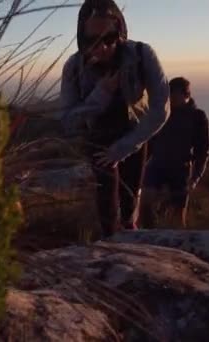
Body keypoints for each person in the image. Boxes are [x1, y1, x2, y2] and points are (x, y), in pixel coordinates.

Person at [60, 0, 170, 238]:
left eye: (109, 37)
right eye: (92, 40)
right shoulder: (73, 66)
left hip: (134, 135)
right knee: (107, 203)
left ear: (120, 31)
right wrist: (102, 93)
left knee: (130, 196)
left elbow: (161, 109)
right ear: (81, 37)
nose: (103, 47)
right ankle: (112, 243)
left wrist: (123, 148)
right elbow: (68, 121)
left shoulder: (142, 55)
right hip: (97, 137)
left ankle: (130, 230)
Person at [140, 77, 209, 228]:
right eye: (169, 94)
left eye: (174, 94)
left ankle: (177, 244)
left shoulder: (197, 116)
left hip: (180, 168)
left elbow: (202, 150)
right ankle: (147, 236)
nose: (171, 98)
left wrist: (196, 177)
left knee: (177, 214)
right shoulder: (162, 113)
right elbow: (150, 141)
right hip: (157, 165)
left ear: (186, 95)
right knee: (145, 201)